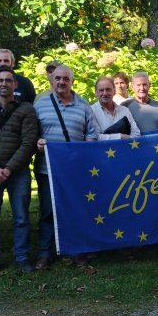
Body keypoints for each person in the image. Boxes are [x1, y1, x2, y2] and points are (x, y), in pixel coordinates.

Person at [33, 65, 100, 269]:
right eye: (57, 78)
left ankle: (76, 250)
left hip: (75, 170)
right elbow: (29, 131)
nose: (61, 82)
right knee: (47, 211)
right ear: (52, 80)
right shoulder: (39, 103)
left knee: (75, 209)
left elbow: (92, 131)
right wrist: (37, 142)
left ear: (72, 81)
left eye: (65, 79)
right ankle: (45, 253)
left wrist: (86, 147)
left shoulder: (83, 105)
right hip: (48, 169)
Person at [0, 69, 39, 275]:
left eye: (8, 81)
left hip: (17, 172)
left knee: (21, 217)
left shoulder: (26, 109)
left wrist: (9, 169)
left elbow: (28, 142)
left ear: (15, 84)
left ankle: (21, 257)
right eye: (0, 80)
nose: (4, 84)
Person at [91, 76, 140, 140]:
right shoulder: (91, 111)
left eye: (108, 89)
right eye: (101, 90)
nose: (105, 93)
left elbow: (137, 135)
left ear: (114, 91)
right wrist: (120, 136)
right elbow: (94, 137)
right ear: (96, 92)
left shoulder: (125, 111)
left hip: (125, 149)